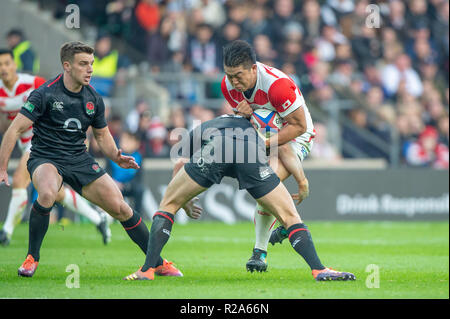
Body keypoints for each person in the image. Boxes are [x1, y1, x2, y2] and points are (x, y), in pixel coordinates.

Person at [0, 41, 182, 278]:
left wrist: (117, 156)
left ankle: (157, 263)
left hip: (79, 159)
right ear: (67, 66)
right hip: (46, 157)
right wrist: (3, 168)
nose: (90, 69)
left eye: (91, 64)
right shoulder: (44, 93)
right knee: (46, 193)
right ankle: (32, 257)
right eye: (83, 64)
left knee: (120, 207)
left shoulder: (93, 99)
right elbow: (13, 130)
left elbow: (102, 136)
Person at [123, 114, 355, 281]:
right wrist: (302, 181)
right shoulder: (258, 123)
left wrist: (184, 202)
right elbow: (284, 150)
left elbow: (180, 167)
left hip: (217, 148)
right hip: (249, 153)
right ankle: (319, 269)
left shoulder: (203, 128)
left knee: (167, 205)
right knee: (289, 216)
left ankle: (147, 270)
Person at [0, 49, 111, 246]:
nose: (3, 69)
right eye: (0, 65)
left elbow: (62, 99)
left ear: (14, 64)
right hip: (24, 143)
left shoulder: (32, 84)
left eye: (7, 63)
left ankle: (5, 232)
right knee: (55, 193)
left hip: (43, 142)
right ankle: (97, 218)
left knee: (18, 180)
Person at [220, 40, 314, 272]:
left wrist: (301, 181)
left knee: (266, 184)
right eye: (229, 75)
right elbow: (252, 122)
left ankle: (260, 252)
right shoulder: (229, 86)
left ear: (254, 68)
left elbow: (298, 127)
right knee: (265, 188)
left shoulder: (277, 85)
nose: (234, 82)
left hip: (296, 134)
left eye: (238, 75)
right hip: (266, 134)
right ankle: (284, 225)